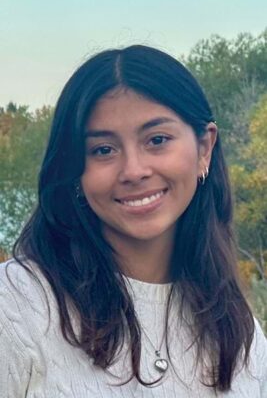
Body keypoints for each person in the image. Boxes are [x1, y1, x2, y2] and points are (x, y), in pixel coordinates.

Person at [0, 45, 266, 398]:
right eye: (103, 150)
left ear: (204, 148)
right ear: (75, 170)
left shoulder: (238, 327)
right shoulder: (17, 307)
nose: (134, 171)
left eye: (157, 140)